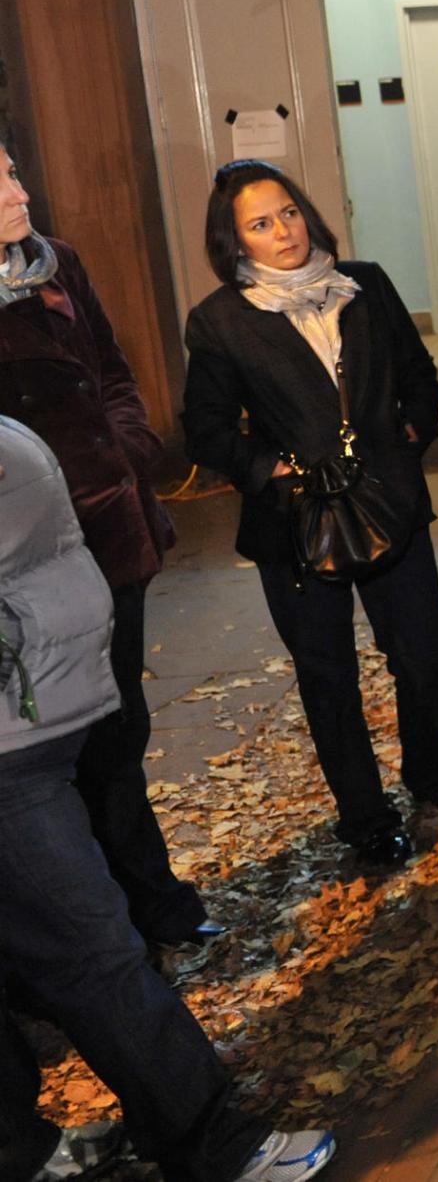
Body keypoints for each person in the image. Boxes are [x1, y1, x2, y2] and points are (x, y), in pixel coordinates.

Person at [0, 414, 334, 1182]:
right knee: (94, 951)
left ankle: (19, 1149)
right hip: (9, 750)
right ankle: (213, 1145)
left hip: (35, 720)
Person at [180, 162, 438, 870]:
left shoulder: (366, 284)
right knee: (329, 677)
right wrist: (274, 470)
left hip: (389, 503)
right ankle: (364, 818)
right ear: (235, 244)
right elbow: (206, 431)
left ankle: (433, 773)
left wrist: (414, 431)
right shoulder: (221, 321)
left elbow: (420, 376)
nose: (283, 232)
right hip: (295, 524)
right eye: (260, 224)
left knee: (422, 652)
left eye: (288, 212)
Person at [0, 141, 216, 959]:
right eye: (3, 180)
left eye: (16, 170)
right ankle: (95, 935)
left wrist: (127, 450)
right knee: (56, 751)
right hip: (22, 566)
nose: (21, 188)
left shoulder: (58, 266)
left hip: (109, 537)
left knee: (119, 728)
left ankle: (153, 905)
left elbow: (114, 371)